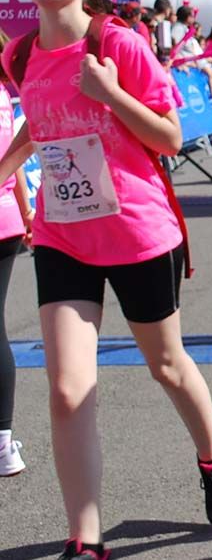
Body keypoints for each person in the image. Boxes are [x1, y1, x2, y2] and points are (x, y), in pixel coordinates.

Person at [0, 0, 212, 560]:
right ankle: (88, 538)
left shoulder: (119, 44)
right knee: (68, 387)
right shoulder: (19, 55)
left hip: (137, 231)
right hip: (62, 236)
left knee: (166, 364)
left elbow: (170, 137)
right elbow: (41, 122)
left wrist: (109, 95)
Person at [0, 32, 34, 478]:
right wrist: (25, 211)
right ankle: (4, 442)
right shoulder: (6, 96)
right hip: (7, 218)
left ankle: (4, 442)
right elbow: (17, 158)